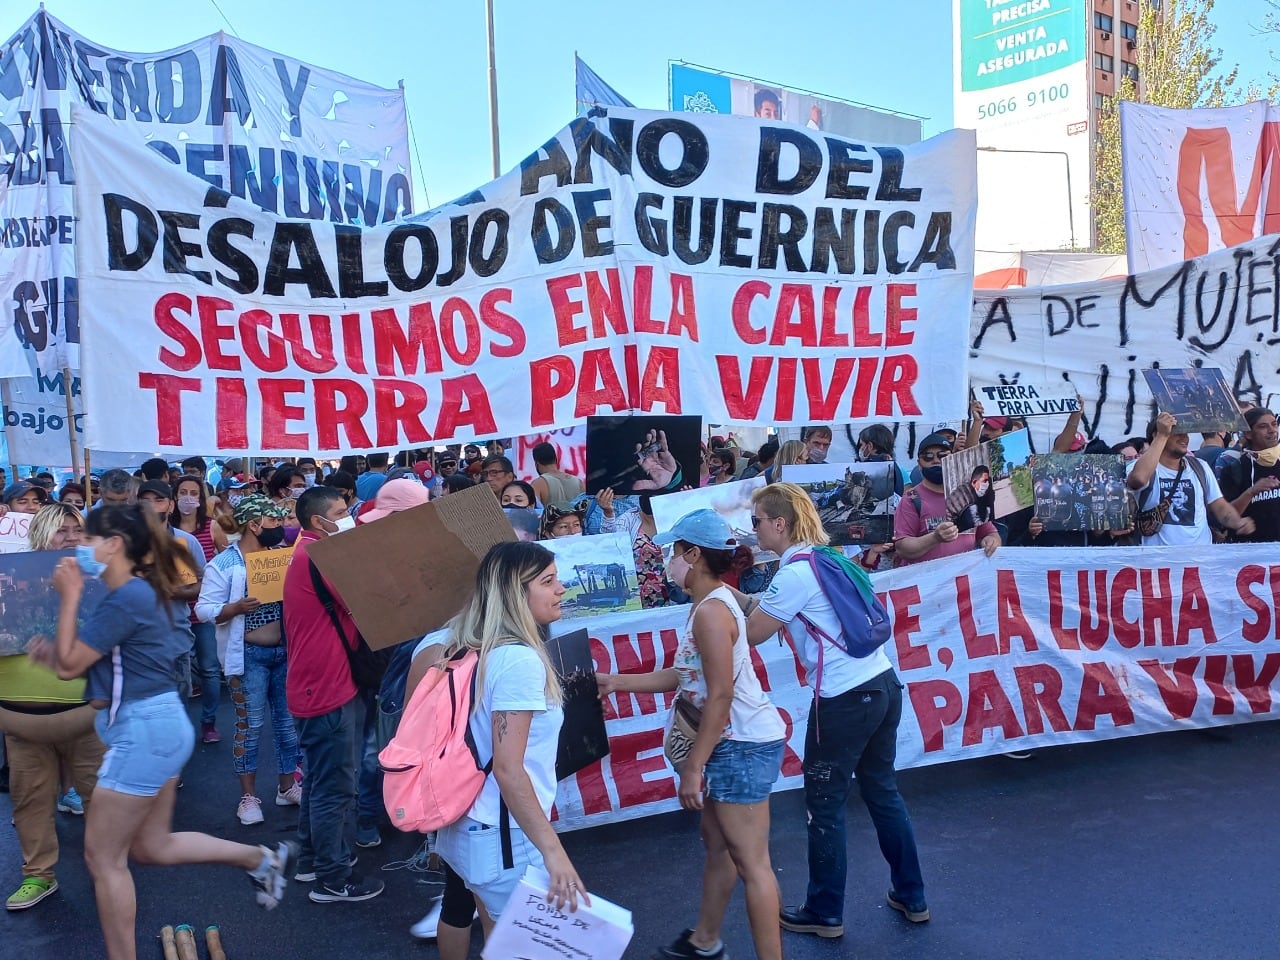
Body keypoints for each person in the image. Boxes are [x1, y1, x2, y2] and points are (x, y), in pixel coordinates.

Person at [36, 505, 294, 959]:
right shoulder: (131, 593)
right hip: (157, 725)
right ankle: (260, 859)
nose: (81, 548)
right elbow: (85, 670)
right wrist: (53, 652)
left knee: (103, 859)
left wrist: (70, 595)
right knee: (152, 847)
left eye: (88, 539)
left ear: (113, 545)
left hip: (144, 731)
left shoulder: (125, 597)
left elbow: (72, 665)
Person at [733, 482, 928, 938]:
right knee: (883, 793)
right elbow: (773, 610)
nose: (753, 528)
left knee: (823, 806)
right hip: (881, 683)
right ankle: (911, 894)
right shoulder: (826, 557)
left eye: (757, 521)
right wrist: (732, 599)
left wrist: (710, 606)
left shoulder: (793, 575)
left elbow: (753, 632)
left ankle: (825, 912)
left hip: (842, 699)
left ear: (779, 523)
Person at [599, 510, 786, 960]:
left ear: (694, 554)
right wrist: (616, 681)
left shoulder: (711, 611)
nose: (667, 560)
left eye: (673, 551)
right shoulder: (712, 600)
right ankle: (704, 940)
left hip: (739, 745)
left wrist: (693, 769)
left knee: (752, 864)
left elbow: (719, 697)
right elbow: (688, 677)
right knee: (719, 844)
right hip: (737, 742)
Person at [433, 541, 590, 938]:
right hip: (503, 834)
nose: (561, 589)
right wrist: (554, 851)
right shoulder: (519, 660)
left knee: (502, 938)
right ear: (516, 593)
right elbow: (508, 768)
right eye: (548, 581)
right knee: (540, 944)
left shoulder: (468, 645)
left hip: (471, 822)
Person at [0, 504, 104, 911]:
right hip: (21, 720)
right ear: (40, 535)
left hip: (85, 715)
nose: (71, 538)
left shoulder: (102, 581)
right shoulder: (8, 580)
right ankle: (38, 875)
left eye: (78, 530)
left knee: (100, 798)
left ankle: (106, 868)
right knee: (30, 800)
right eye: (61, 531)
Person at [283, 486, 383, 903]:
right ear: (317, 521)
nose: (350, 517)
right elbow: (373, 597)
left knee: (322, 780)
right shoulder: (321, 556)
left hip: (318, 684)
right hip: (327, 688)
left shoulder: (308, 553)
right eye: (341, 512)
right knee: (333, 787)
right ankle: (333, 877)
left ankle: (312, 860)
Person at [196, 495, 300, 826]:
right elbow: (203, 609)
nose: (279, 528)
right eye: (273, 522)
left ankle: (287, 786)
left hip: (284, 653)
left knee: (286, 725)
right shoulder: (224, 565)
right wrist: (234, 608)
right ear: (254, 525)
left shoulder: (279, 558)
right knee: (250, 725)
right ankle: (248, 797)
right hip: (248, 656)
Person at [1126, 413, 1253, 546]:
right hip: (1156, 561)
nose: (1185, 438)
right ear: (1157, 434)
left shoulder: (1200, 467)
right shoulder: (1139, 467)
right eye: (1178, 433)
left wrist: (1238, 522)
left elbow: (1219, 506)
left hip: (1199, 559)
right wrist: (1162, 435)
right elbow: (1138, 479)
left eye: (1186, 433)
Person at [170, 476, 227, 740]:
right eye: (183, 492)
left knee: (209, 668)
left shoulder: (211, 527)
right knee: (176, 672)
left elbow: (226, 559)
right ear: (174, 499)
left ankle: (208, 722)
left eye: (194, 492)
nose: (188, 497)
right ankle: (179, 727)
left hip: (203, 610)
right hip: (172, 612)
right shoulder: (165, 530)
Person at [893, 432, 1001, 565]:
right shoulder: (911, 499)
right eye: (928, 457)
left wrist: (991, 541)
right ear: (919, 464)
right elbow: (902, 548)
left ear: (952, 459)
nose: (936, 460)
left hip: (965, 581)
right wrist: (935, 538)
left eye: (942, 455)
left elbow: (990, 533)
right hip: (928, 582)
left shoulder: (971, 495)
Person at [1218, 407, 1280, 542]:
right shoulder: (1234, 470)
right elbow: (1225, 516)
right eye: (1263, 426)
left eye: (1274, 424)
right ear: (1248, 434)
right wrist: (1250, 492)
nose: (1272, 430)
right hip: (1251, 555)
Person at [529, 441, 584, 506]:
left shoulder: (537, 484)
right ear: (556, 459)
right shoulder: (579, 482)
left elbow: (534, 511)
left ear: (536, 464)